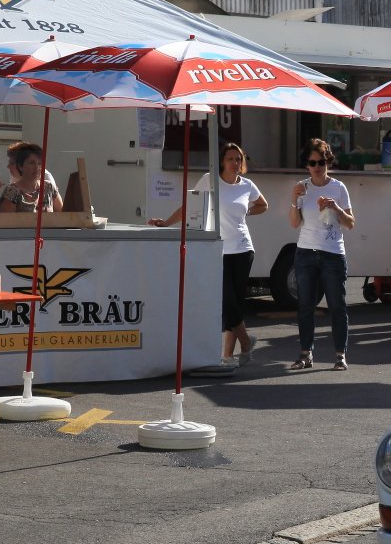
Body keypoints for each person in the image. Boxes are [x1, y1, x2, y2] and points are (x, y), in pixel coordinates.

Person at [151, 143, 268, 367]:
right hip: (219, 248)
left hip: (243, 249)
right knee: (226, 300)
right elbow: (189, 206)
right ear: (222, 161)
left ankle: (227, 356)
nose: (235, 163)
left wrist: (246, 212)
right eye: (230, 159)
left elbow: (263, 205)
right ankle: (246, 342)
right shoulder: (209, 180)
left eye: (238, 159)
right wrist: (166, 223)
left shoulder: (247, 185)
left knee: (235, 302)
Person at [287, 138, 354, 371]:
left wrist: (336, 207)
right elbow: (294, 223)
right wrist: (294, 201)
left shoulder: (338, 187)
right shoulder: (302, 187)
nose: (317, 167)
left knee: (337, 306)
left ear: (328, 163)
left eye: (321, 162)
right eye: (312, 162)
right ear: (306, 165)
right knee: (305, 306)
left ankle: (340, 355)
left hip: (332, 254)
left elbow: (350, 224)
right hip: (306, 252)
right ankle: (305, 354)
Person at [0, 141, 63, 213]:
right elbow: (6, 219)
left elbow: (64, 215)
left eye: (39, 163)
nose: (37, 167)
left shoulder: (49, 187)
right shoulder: (12, 192)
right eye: (31, 163)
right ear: (20, 166)